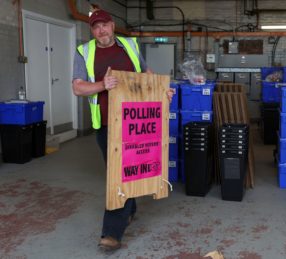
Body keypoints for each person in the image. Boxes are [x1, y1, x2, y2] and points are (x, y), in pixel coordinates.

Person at [72, 9, 174, 251]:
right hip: (107, 125)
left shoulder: (130, 45)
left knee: (128, 172)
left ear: (112, 24)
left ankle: (112, 232)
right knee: (118, 175)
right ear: (91, 30)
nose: (101, 31)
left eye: (104, 25)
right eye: (95, 27)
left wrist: (163, 92)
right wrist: (102, 84)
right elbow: (78, 88)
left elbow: (146, 75)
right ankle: (120, 220)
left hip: (136, 123)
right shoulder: (84, 52)